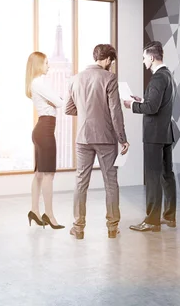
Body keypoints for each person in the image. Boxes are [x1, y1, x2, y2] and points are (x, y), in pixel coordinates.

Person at [65, 44, 129, 240]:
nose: (112, 65)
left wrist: (87, 114)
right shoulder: (110, 78)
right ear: (108, 60)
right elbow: (115, 112)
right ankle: (112, 227)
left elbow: (69, 109)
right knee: (110, 182)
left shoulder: (75, 79)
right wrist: (123, 139)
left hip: (83, 138)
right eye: (112, 61)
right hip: (106, 139)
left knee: (80, 182)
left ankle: (78, 227)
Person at [123, 41, 176, 232]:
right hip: (165, 133)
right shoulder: (168, 75)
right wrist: (142, 99)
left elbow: (152, 108)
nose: (143, 60)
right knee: (166, 175)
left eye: (144, 57)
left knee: (153, 177)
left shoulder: (156, 79)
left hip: (154, 135)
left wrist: (132, 105)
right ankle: (169, 217)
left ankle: (152, 221)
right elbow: (158, 103)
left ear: (151, 57)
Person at [25, 51, 65, 229]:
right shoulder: (39, 82)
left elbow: (56, 101)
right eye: (47, 63)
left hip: (42, 129)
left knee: (40, 174)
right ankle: (49, 215)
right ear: (39, 64)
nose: (49, 66)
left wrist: (55, 101)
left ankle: (34, 210)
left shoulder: (35, 83)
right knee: (48, 174)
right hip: (45, 130)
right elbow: (59, 102)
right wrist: (55, 100)